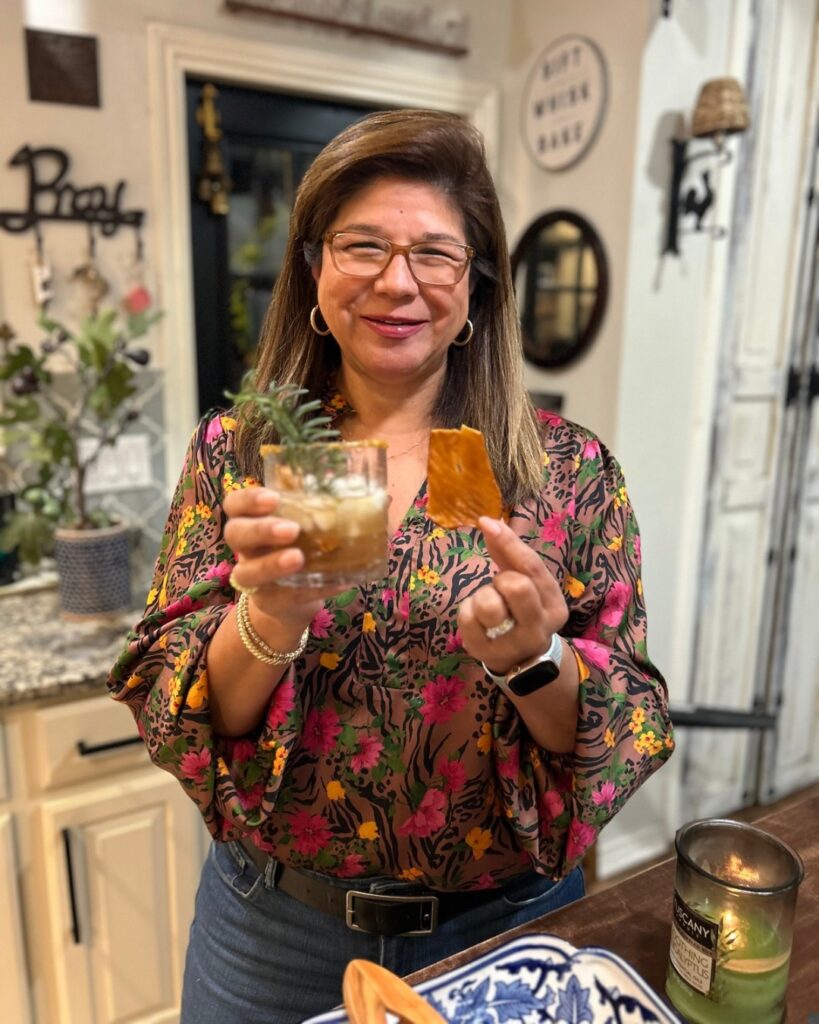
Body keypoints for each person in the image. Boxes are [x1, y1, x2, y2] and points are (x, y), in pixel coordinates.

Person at [108, 108, 674, 1023]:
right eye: (362, 245)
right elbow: (181, 708)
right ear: (314, 268)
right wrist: (269, 617)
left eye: (434, 254)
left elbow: (627, 722)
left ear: (475, 284)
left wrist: (535, 660)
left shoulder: (563, 470)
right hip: (275, 935)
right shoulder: (238, 451)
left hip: (507, 927)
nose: (396, 282)